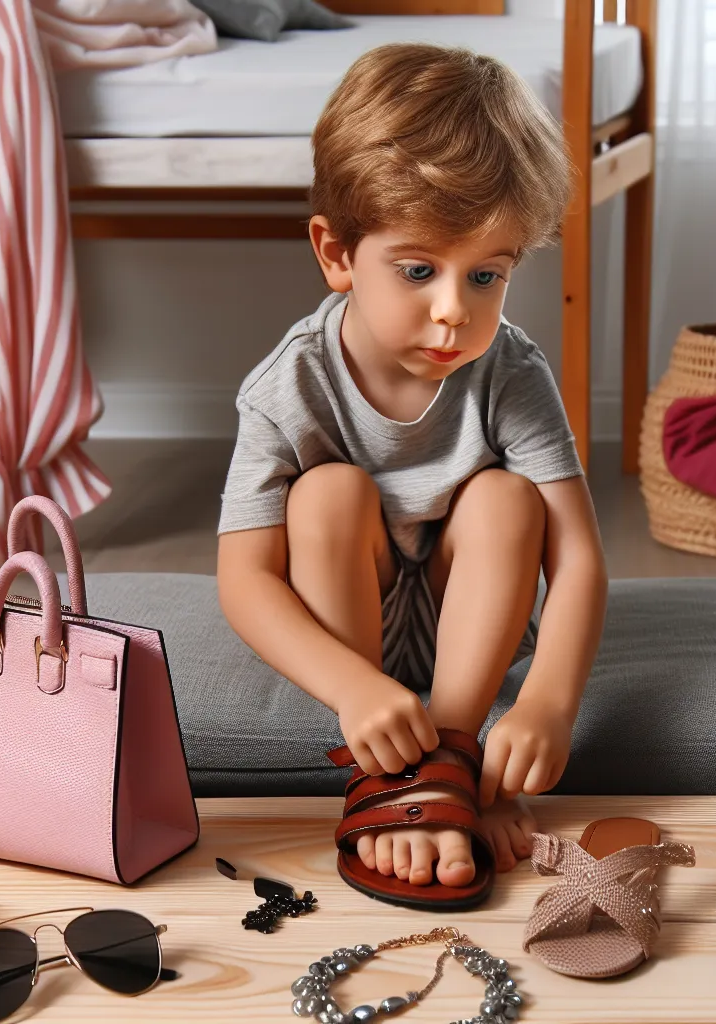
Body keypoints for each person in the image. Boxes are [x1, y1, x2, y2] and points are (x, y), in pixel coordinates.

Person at [216, 42, 608, 894]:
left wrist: (547, 701)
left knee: (508, 499)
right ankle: (389, 771)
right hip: (350, 632)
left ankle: (453, 760)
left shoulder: (512, 370)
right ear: (336, 252)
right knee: (326, 493)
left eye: (487, 276)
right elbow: (244, 578)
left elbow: (576, 556)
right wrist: (355, 688)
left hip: (474, 631)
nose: (452, 312)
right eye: (420, 270)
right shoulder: (289, 386)